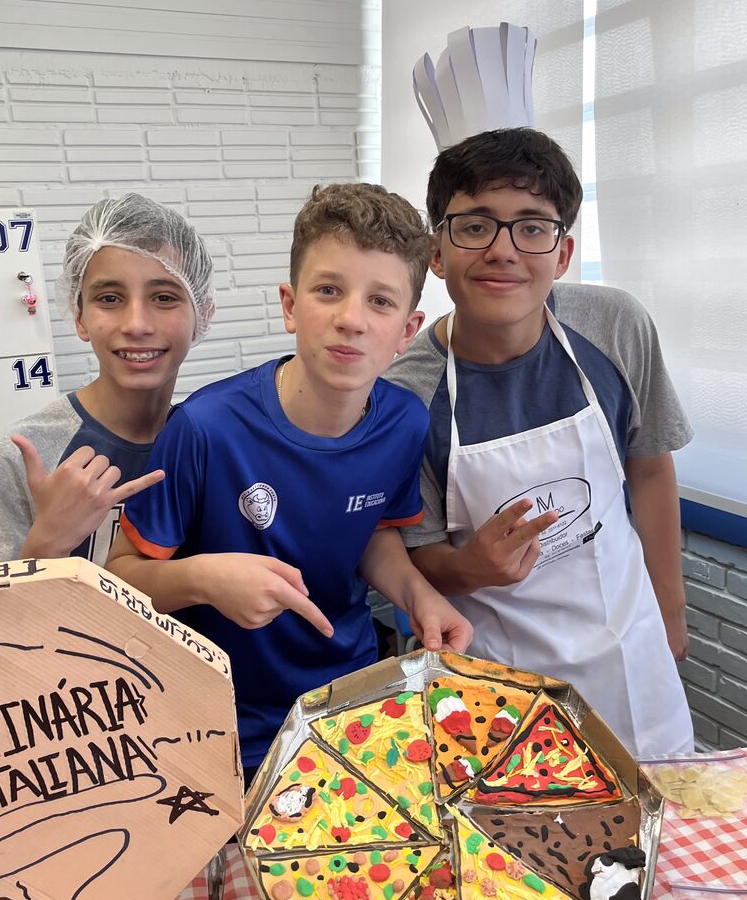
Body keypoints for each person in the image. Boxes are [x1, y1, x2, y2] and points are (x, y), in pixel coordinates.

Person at [106, 183, 473, 781]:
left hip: (353, 706)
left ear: (408, 331)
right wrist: (204, 578)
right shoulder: (204, 427)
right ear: (290, 305)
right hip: (225, 726)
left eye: (380, 302)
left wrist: (418, 595)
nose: (351, 319)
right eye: (328, 290)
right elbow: (119, 580)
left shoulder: (404, 422)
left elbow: (373, 530)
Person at [385, 127, 695, 757]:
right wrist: (470, 568)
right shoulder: (405, 397)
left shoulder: (614, 327)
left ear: (563, 253)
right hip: (496, 684)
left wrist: (670, 611)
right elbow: (416, 555)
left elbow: (650, 470)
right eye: (475, 226)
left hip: (633, 657)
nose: (503, 251)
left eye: (532, 227)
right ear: (436, 252)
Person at [0, 193, 214, 567]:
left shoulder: (212, 446)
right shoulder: (25, 454)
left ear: (201, 314)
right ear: (79, 317)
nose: (136, 325)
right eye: (109, 298)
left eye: (163, 297)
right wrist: (48, 542)